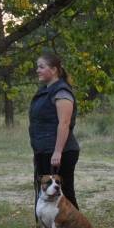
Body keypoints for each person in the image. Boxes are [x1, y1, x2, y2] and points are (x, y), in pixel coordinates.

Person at [29, 53, 80, 208]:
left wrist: (57, 152)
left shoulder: (62, 92)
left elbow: (64, 123)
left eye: (41, 67)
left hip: (60, 152)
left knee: (64, 195)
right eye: (37, 66)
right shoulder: (44, 91)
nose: (37, 70)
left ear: (54, 70)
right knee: (45, 193)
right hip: (44, 150)